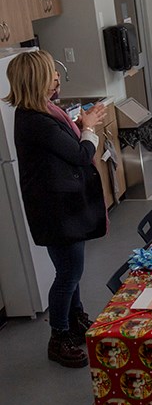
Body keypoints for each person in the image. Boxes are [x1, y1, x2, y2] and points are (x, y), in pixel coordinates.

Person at [3, 50, 108, 368]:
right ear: (37, 81)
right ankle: (59, 336)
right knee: (68, 274)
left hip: (61, 208)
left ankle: (75, 321)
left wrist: (79, 125)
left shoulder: (43, 114)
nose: (58, 77)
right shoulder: (36, 121)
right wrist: (88, 128)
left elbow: (62, 148)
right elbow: (79, 154)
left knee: (70, 272)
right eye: (51, 73)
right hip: (57, 212)